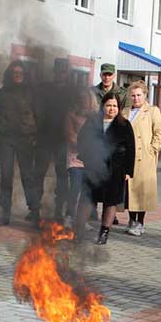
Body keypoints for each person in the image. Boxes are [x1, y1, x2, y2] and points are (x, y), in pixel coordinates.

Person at [75, 92, 135, 245]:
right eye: (109, 105)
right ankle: (78, 232)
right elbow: (81, 140)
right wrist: (86, 158)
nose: (112, 109)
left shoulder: (124, 125)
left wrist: (128, 171)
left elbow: (131, 148)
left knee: (110, 201)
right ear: (103, 106)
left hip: (115, 170)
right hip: (94, 167)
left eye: (115, 106)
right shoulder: (92, 122)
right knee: (88, 199)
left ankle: (104, 233)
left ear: (119, 108)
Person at [30, 58, 71, 225]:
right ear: (54, 72)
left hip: (63, 139)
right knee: (38, 175)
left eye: (63, 71)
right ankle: (34, 210)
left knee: (62, 177)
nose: (61, 74)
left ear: (66, 73)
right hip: (44, 137)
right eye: (58, 71)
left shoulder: (71, 91)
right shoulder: (44, 89)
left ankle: (59, 210)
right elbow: (35, 110)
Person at [0, 61, 37, 225]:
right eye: (15, 73)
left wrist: (35, 135)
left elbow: (37, 115)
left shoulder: (31, 93)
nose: (18, 75)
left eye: (21, 73)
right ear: (10, 74)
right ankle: (5, 212)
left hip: (26, 138)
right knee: (6, 176)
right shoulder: (2, 93)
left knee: (28, 175)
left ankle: (34, 210)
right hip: (6, 139)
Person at [122, 80, 161, 236]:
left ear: (145, 95)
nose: (136, 98)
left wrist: (153, 148)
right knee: (130, 190)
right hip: (128, 156)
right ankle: (131, 220)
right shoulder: (125, 111)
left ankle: (140, 222)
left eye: (139, 95)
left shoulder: (152, 111)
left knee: (143, 190)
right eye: (133, 95)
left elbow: (159, 132)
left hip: (145, 156)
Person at [65, 86, 95, 228]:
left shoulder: (95, 117)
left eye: (86, 99)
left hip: (90, 161)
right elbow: (70, 136)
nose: (84, 102)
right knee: (75, 187)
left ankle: (83, 219)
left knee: (87, 190)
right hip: (75, 159)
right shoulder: (71, 115)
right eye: (81, 99)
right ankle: (69, 216)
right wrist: (86, 145)